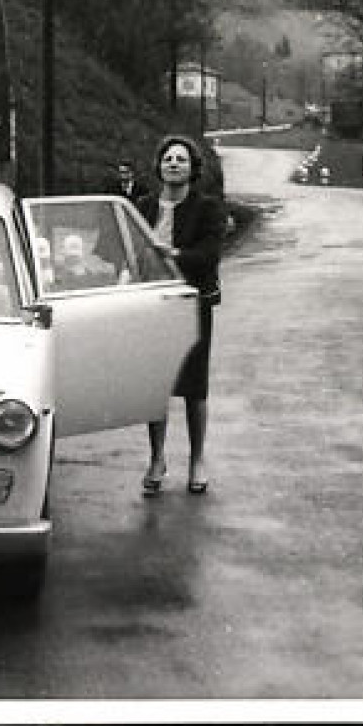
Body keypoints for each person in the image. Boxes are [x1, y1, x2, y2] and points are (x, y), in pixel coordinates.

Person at [135, 134, 227, 496]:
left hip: (191, 305)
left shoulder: (207, 208)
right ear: (159, 166)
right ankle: (157, 459)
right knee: (155, 386)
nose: (174, 164)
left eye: (182, 160)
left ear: (193, 169)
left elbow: (209, 255)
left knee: (194, 387)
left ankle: (197, 460)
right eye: (168, 159)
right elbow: (120, 247)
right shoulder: (142, 206)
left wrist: (170, 253)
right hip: (151, 305)